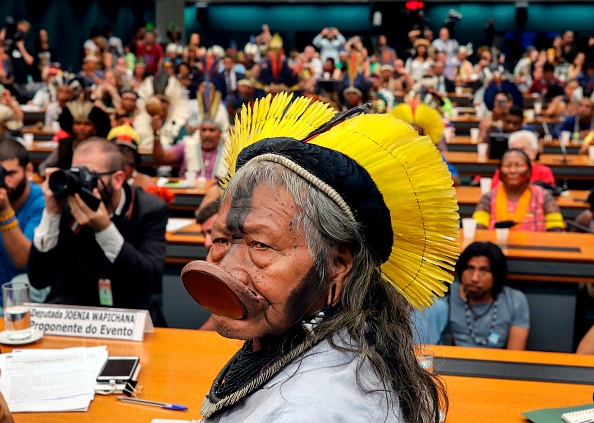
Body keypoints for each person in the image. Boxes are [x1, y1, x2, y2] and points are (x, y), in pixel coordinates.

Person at [180, 93, 459, 421]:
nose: (228, 269)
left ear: (338, 263)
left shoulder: (309, 410)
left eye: (261, 246)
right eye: (222, 240)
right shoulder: (312, 342)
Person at [28, 139, 169, 323]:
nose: (80, 183)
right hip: (76, 314)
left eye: (89, 175)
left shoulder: (149, 209)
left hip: (130, 316)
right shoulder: (69, 205)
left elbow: (148, 280)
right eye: (76, 173)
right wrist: (52, 214)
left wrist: (104, 230)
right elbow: (39, 279)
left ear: (118, 179)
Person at [445, 242, 530, 349]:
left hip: (497, 364)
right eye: (470, 268)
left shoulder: (515, 301)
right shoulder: (446, 296)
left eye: (484, 270)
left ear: (496, 275)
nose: (474, 278)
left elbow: (515, 357)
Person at [473, 149, 564, 232]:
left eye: (518, 165)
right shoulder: (488, 197)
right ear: (500, 171)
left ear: (529, 171)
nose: (512, 170)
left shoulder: (544, 196)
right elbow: (478, 230)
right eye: (507, 166)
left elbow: (556, 231)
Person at [0, 138, 45, 287]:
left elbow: (24, 260)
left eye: (11, 174)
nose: (4, 181)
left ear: (29, 170)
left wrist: (5, 211)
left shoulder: (41, 203)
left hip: (21, 297)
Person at [38, 98, 111, 174]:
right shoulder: (65, 145)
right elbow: (43, 167)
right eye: (78, 123)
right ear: (71, 126)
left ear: (95, 128)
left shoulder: (101, 147)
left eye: (87, 124)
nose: (82, 128)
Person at [153, 119, 227, 179]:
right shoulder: (187, 146)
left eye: (212, 130)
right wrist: (156, 134)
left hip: (218, 195)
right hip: (188, 194)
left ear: (220, 133)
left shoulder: (229, 152)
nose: (207, 134)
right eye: (203, 130)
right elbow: (161, 158)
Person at [489, 130, 555, 188]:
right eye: (515, 149)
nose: (519, 154)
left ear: (534, 152)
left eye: (523, 149)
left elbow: (550, 194)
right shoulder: (503, 170)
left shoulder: (544, 171)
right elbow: (493, 193)